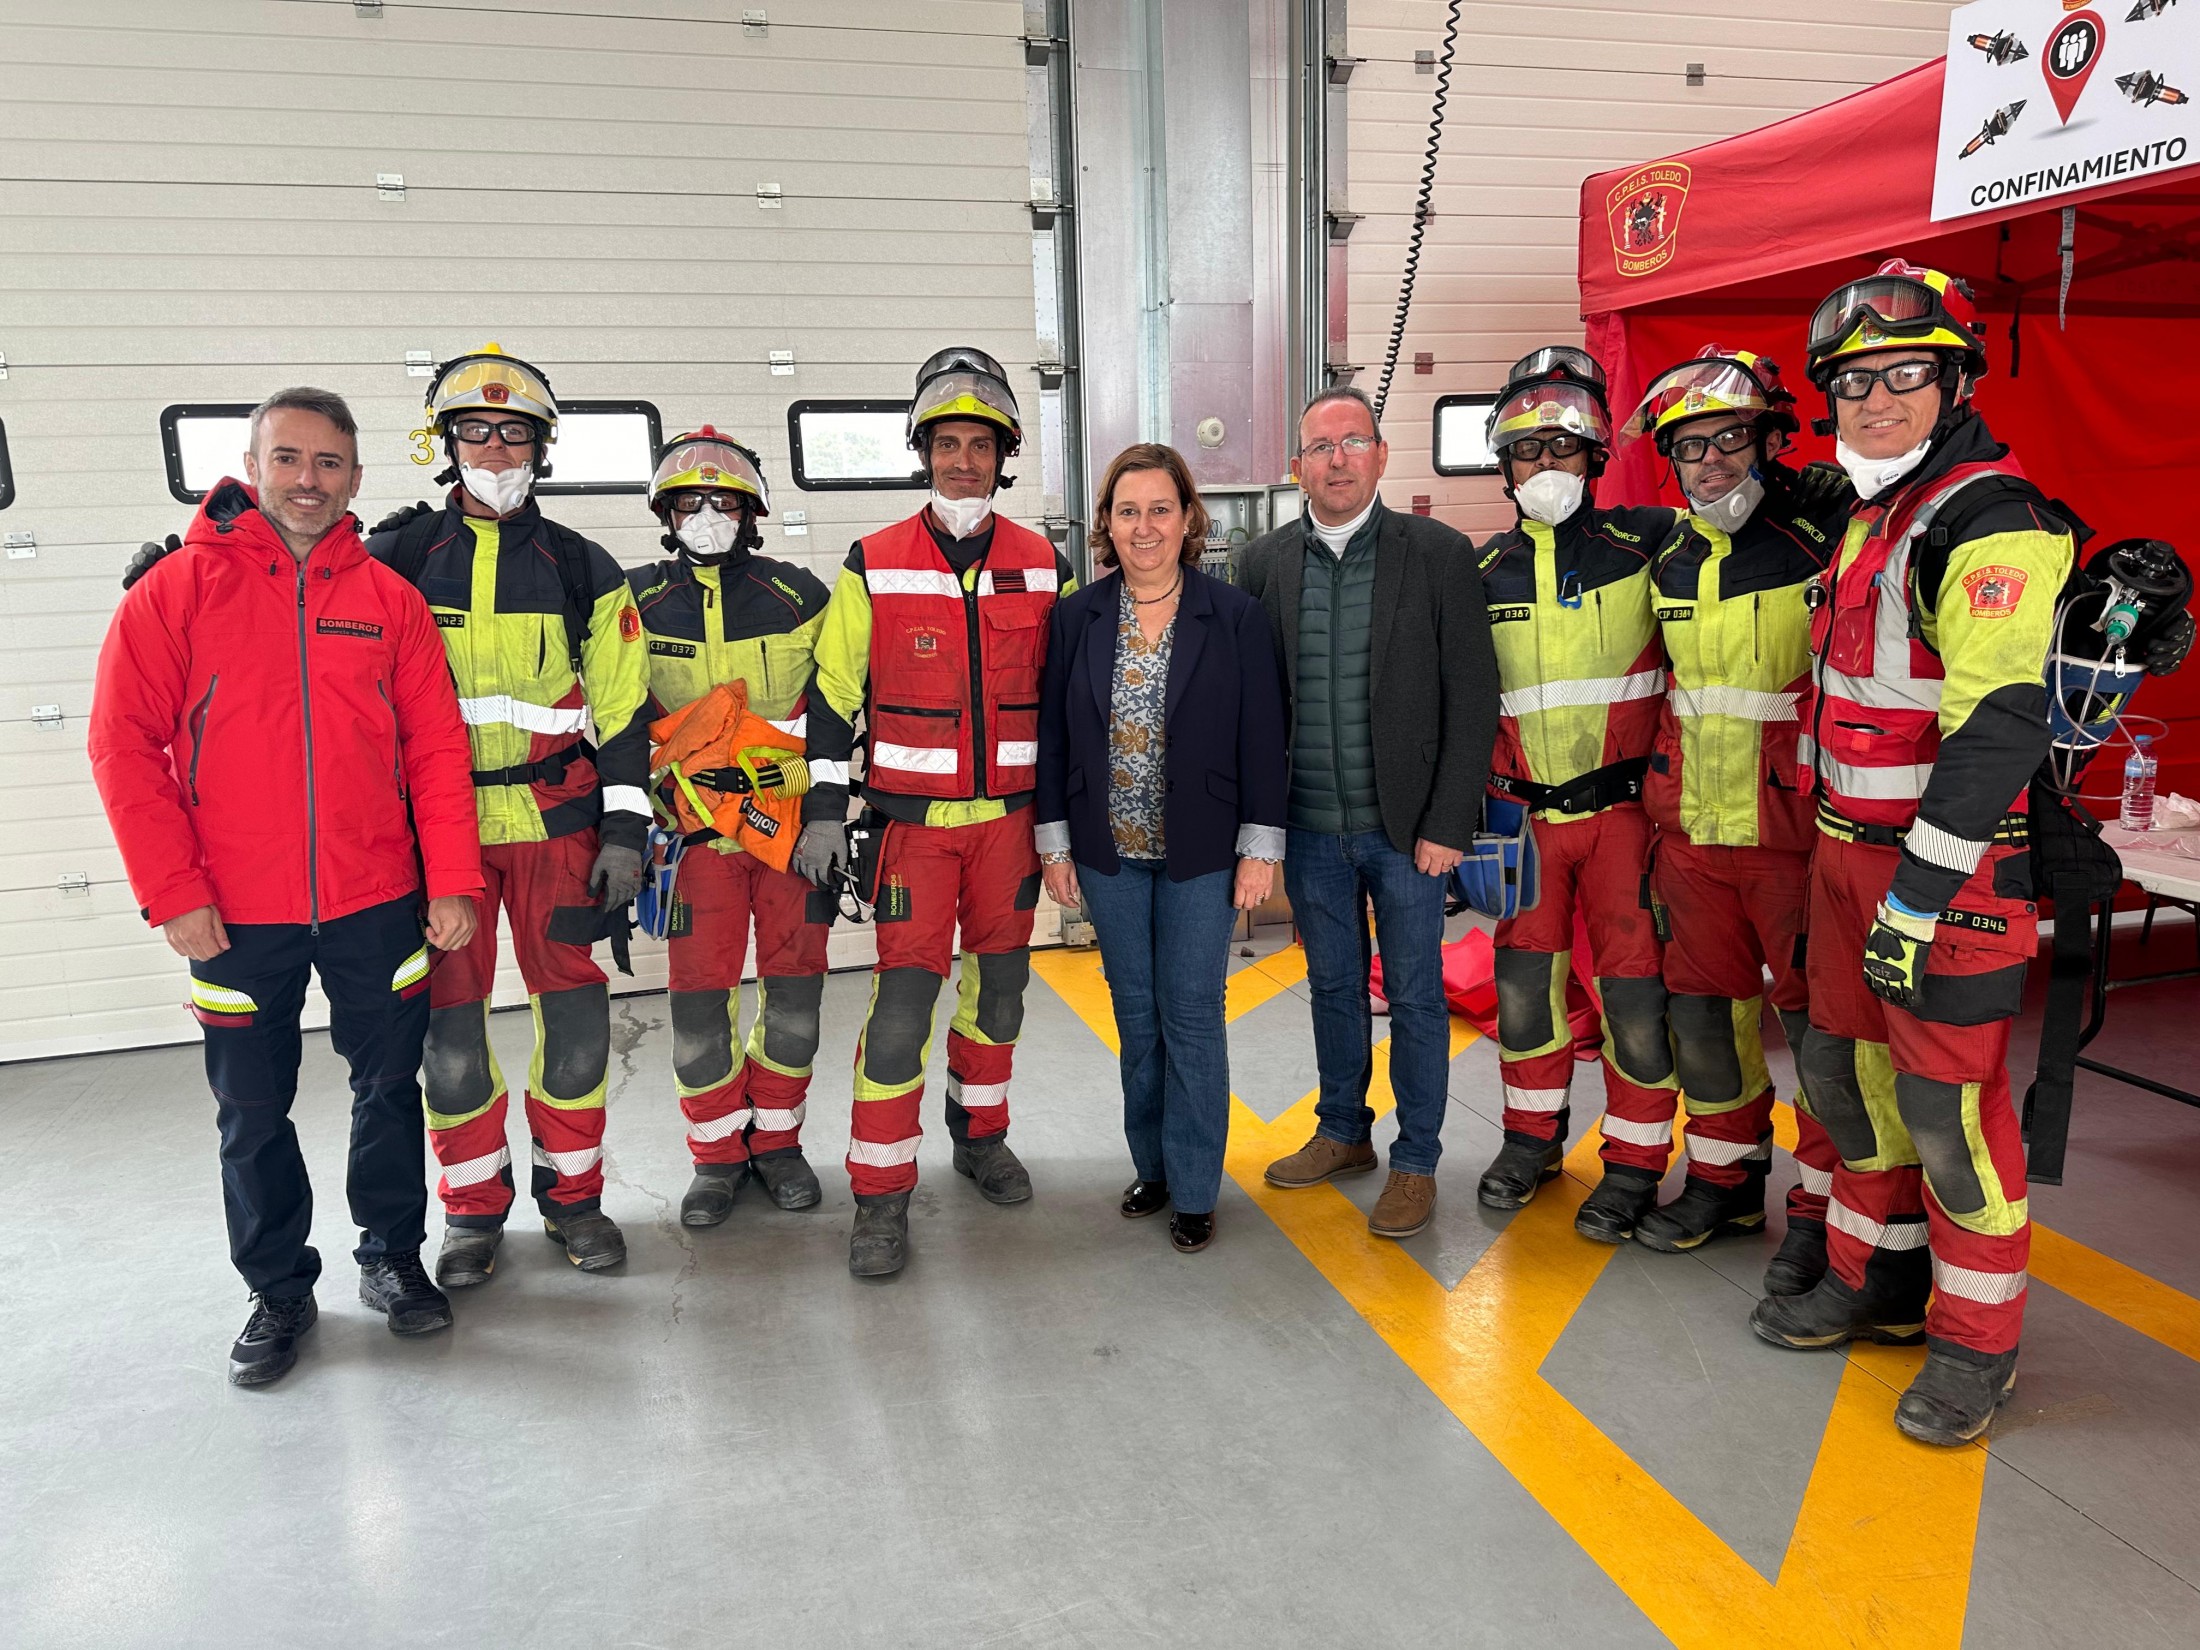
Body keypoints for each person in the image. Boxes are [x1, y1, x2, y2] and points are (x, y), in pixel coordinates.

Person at [89, 388, 484, 1386]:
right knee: (251, 1111)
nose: (310, 482)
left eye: (331, 464)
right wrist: (172, 889)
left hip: (374, 900)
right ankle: (278, 1287)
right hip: (230, 914)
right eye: (291, 460)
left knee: (389, 1092)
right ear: (254, 465)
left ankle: (392, 1258)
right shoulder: (175, 592)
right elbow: (122, 746)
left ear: (355, 475)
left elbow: (436, 747)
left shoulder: (386, 599)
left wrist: (450, 879)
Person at [1750, 262, 2074, 1446]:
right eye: (1850, 384)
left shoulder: (1994, 520)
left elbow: (1996, 726)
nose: (1873, 402)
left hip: (1947, 871)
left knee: (1945, 1111)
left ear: (1952, 380)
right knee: (1842, 1079)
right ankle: (1876, 1278)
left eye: (1902, 376)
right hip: (1843, 861)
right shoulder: (1870, 516)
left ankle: (1972, 1344)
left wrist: (1922, 894)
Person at [367, 344, 651, 1284]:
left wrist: (624, 831)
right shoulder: (397, 555)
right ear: (446, 445)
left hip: (558, 834)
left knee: (573, 1026)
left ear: (543, 447)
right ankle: (473, 1212)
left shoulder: (583, 567)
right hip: (439, 845)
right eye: (476, 432)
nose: (495, 450)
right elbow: (305, 619)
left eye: (515, 433)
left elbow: (621, 710)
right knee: (449, 1039)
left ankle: (573, 1200)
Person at [797, 347, 1080, 1278]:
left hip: (1009, 828)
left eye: (981, 445)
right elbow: (834, 693)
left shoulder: (1048, 566)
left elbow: (1075, 700)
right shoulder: (871, 561)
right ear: (923, 453)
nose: (964, 461)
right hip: (911, 834)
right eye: (946, 443)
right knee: (900, 1010)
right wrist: (829, 810)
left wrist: (1067, 825)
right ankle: (880, 1194)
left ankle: (979, 1133)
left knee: (1001, 995)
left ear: (1006, 456)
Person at [1236, 387, 1498, 1240]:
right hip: (1310, 828)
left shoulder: (1439, 554)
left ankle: (1416, 1158)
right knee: (1334, 987)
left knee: (1418, 996)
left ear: (1382, 456)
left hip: (1408, 831)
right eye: (1320, 447)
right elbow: (1253, 703)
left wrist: (1449, 824)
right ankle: (1344, 1130)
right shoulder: (1264, 563)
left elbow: (1473, 696)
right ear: (1296, 466)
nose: (1337, 459)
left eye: (1353, 442)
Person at [1617, 349, 1849, 1292]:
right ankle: (1724, 1181)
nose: (1711, 463)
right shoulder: (1667, 552)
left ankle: (1823, 1210)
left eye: (1730, 440)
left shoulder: (1823, 536)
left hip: (1794, 841)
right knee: (1705, 1023)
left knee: (1824, 1038)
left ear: (1769, 440)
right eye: (1690, 448)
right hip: (1692, 841)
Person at [1034, 445, 1289, 1253]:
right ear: (1107, 523)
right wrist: (1054, 845)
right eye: (1128, 511)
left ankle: (1195, 1186)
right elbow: (1050, 737)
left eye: (1160, 509)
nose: (1144, 527)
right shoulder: (1077, 616)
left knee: (1192, 1017)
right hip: (1108, 851)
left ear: (1189, 520)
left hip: (1203, 852)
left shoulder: (1234, 615)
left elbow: (1263, 736)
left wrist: (1261, 847)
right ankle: (1152, 1167)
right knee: (1136, 1018)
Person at [1468, 347, 1690, 1241]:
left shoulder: (1654, 542)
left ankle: (1636, 1160)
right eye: (1528, 451)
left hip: (1623, 820)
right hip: (1518, 822)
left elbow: (1733, 549)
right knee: (1524, 995)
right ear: (1505, 466)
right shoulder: (1478, 573)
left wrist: (1799, 499)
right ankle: (1530, 1142)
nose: (1546, 465)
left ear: (1597, 456)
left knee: (1636, 999)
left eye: (1565, 447)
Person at [626, 428, 834, 1225]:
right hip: (694, 850)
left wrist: (792, 797)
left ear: (753, 514)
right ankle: (715, 1158)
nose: (707, 514)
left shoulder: (800, 596)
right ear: (666, 511)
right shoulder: (634, 603)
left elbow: (834, 718)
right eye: (690, 500)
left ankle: (777, 1144)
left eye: (725, 501)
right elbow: (618, 719)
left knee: (795, 1005)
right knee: (696, 1012)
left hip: (786, 843)